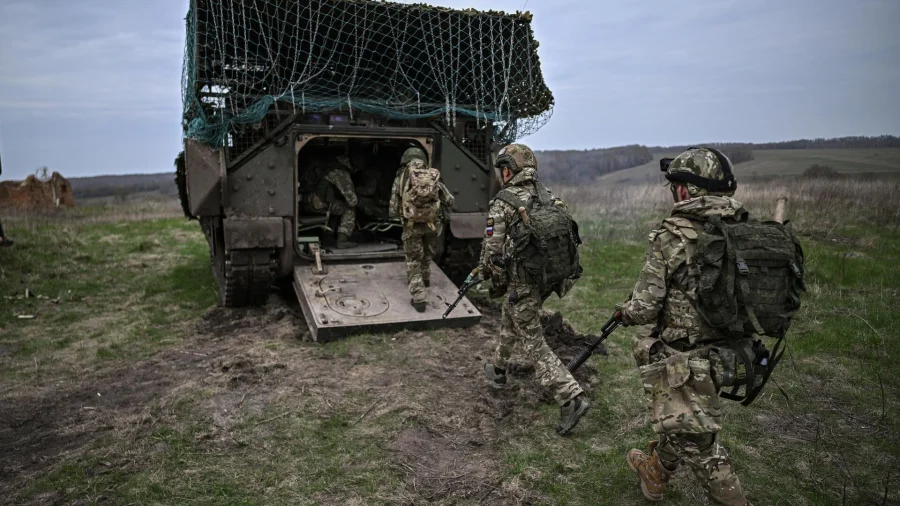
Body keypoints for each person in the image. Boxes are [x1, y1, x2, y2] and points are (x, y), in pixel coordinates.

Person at [618, 147, 749, 505]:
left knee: (703, 448)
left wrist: (625, 312)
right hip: (734, 353)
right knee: (685, 420)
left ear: (686, 190)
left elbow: (644, 308)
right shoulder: (743, 229)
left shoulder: (672, 235)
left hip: (688, 360)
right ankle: (655, 473)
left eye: (675, 185)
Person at [478, 143, 589, 436]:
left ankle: (570, 396)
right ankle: (498, 369)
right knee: (511, 314)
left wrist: (490, 277)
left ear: (507, 171)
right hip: (547, 280)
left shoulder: (503, 202)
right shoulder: (549, 196)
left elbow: (492, 253)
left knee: (533, 342)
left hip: (522, 282)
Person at [389, 147, 454, 312]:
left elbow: (393, 207)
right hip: (432, 225)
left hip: (412, 226)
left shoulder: (402, 177)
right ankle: (425, 280)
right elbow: (450, 200)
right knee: (427, 254)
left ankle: (419, 298)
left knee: (413, 260)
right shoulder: (432, 175)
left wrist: (400, 214)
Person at [299, 153, 359, 249]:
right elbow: (352, 201)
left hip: (306, 202)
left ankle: (328, 238)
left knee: (336, 206)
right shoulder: (340, 172)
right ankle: (342, 240)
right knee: (349, 209)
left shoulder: (327, 169)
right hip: (318, 204)